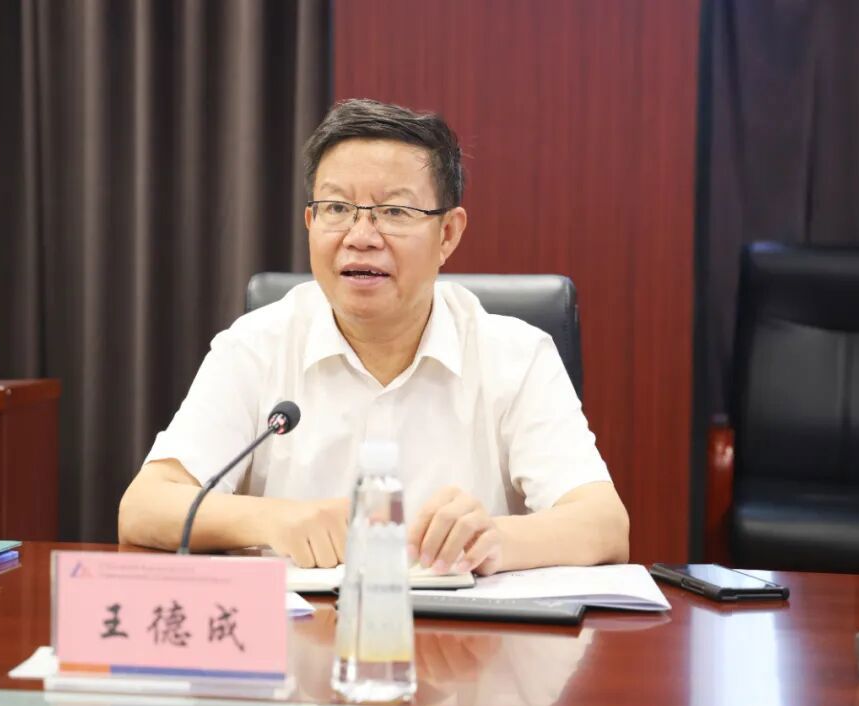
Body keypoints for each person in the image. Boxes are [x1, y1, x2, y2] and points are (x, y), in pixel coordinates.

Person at [118, 98, 629, 574]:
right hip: (296, 634)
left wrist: (493, 539)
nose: (361, 237)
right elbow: (144, 507)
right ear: (310, 222)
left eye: (394, 212)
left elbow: (604, 524)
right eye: (337, 208)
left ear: (448, 234)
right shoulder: (255, 346)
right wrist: (274, 520)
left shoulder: (514, 355)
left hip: (465, 636)